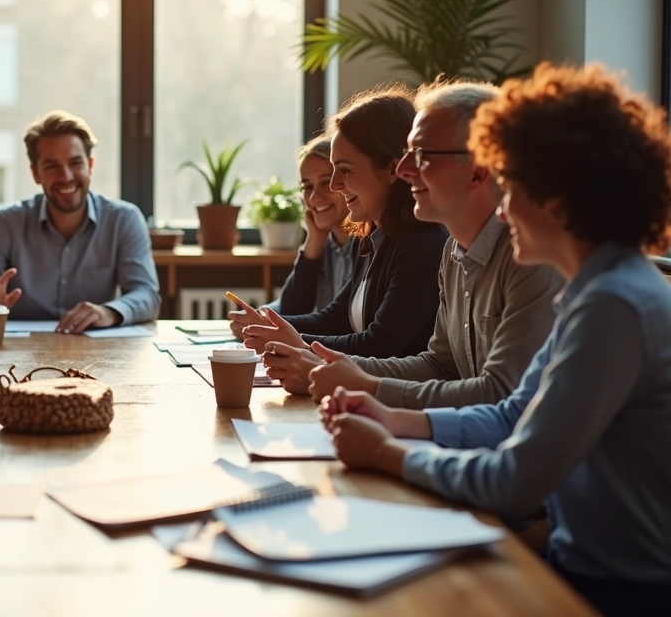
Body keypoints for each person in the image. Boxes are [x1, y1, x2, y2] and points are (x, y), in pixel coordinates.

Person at [323, 63, 671, 616]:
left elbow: (512, 479)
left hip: (616, 594)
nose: (503, 204)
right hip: (580, 567)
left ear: (559, 196)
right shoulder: (596, 287)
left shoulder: (614, 303)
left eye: (514, 180)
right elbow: (513, 414)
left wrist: (390, 454)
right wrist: (400, 421)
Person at [265, 82, 563, 406]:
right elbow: (439, 365)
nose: (404, 170)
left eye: (420, 155)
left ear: (477, 172)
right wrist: (329, 367)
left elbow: (502, 398)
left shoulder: (530, 257)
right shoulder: (454, 252)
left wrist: (370, 394)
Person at [232, 88, 447, 358]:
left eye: (344, 170)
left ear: (393, 169)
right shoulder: (372, 238)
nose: (335, 184)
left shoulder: (422, 244)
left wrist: (292, 342)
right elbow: (336, 318)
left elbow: (378, 345)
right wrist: (269, 326)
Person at [0, 110, 161, 333]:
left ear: (90, 165)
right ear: (35, 173)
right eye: (52, 166)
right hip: (18, 355)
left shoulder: (123, 220)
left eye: (76, 163)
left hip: (96, 352)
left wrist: (108, 312)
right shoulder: (7, 224)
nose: (66, 176)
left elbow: (146, 294)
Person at [254, 136, 359, 316]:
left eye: (326, 182)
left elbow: (341, 323)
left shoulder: (370, 246)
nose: (314, 198)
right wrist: (260, 316)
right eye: (307, 186)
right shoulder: (324, 244)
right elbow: (291, 307)